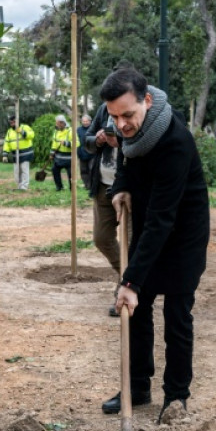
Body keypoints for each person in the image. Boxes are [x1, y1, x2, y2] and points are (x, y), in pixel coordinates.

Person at [97, 67, 210, 422]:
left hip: (182, 238)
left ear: (147, 100)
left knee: (177, 317)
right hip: (149, 226)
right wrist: (120, 189)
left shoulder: (175, 141)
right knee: (138, 311)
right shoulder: (131, 131)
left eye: (127, 114)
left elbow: (164, 218)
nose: (121, 124)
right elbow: (128, 163)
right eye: (114, 117)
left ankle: (176, 398)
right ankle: (137, 386)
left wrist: (129, 281)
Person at [84, 103, 122, 317]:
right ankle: (128, 276)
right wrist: (97, 140)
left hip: (130, 188)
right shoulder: (103, 110)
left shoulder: (138, 107)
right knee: (102, 238)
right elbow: (87, 142)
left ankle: (125, 288)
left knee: (131, 242)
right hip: (103, 185)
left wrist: (122, 141)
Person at [3, 115, 35, 191]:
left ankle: (24, 187)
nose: (12, 124)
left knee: (24, 170)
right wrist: (5, 154)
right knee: (17, 172)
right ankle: (19, 186)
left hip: (26, 154)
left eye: (14, 122)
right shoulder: (9, 131)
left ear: (17, 121)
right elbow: (7, 143)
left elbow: (32, 135)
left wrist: (22, 132)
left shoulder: (25, 127)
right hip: (15, 155)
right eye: (11, 122)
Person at [50, 114, 75, 191]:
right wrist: (51, 154)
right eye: (56, 123)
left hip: (69, 158)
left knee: (71, 174)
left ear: (62, 123)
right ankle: (59, 187)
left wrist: (66, 143)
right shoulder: (56, 132)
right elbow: (54, 144)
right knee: (54, 170)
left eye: (57, 123)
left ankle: (72, 188)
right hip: (58, 157)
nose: (56, 125)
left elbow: (76, 143)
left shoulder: (71, 131)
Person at [77, 114, 93, 183]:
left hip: (92, 153)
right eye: (83, 121)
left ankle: (92, 184)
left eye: (86, 121)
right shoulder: (78, 130)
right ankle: (87, 184)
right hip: (82, 153)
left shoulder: (93, 128)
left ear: (90, 121)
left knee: (91, 169)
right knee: (83, 170)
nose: (85, 122)